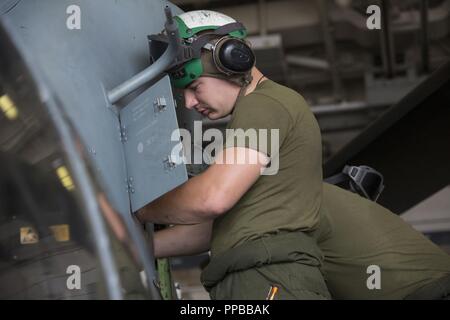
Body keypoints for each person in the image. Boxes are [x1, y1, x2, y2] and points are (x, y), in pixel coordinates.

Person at [137, 10, 450, 300]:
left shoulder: (264, 104)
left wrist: (138, 210)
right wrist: (137, 244)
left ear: (231, 60)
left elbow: (212, 198)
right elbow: (214, 226)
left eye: (195, 86)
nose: (190, 103)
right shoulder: (274, 188)